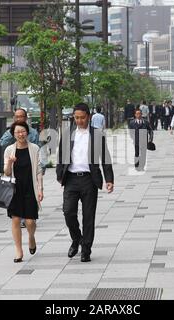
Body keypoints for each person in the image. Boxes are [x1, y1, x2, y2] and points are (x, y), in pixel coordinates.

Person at [56, 103, 114, 262]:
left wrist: (109, 179)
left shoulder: (97, 134)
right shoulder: (68, 134)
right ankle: (77, 239)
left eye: (82, 117)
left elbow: (106, 158)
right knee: (68, 212)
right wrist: (59, 174)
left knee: (89, 217)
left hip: (89, 180)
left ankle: (86, 249)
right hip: (71, 179)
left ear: (88, 116)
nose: (79, 120)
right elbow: (61, 156)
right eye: (76, 118)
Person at [3, 121, 43, 263]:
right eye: (17, 132)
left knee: (30, 221)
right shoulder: (9, 150)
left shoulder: (34, 148)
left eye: (23, 131)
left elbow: (39, 171)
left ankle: (31, 237)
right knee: (15, 219)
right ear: (13, 134)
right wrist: (10, 162)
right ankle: (18, 251)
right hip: (15, 190)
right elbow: (6, 173)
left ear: (27, 132)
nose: (20, 134)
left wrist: (40, 189)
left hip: (30, 188)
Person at [0, 108, 42, 228]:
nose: (19, 119)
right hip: (14, 165)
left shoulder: (32, 132)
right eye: (16, 117)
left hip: (28, 167)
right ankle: (21, 217)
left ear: (26, 118)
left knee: (29, 199)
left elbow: (36, 149)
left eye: (21, 117)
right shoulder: (11, 132)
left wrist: (40, 184)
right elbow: (2, 143)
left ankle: (28, 219)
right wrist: (13, 132)